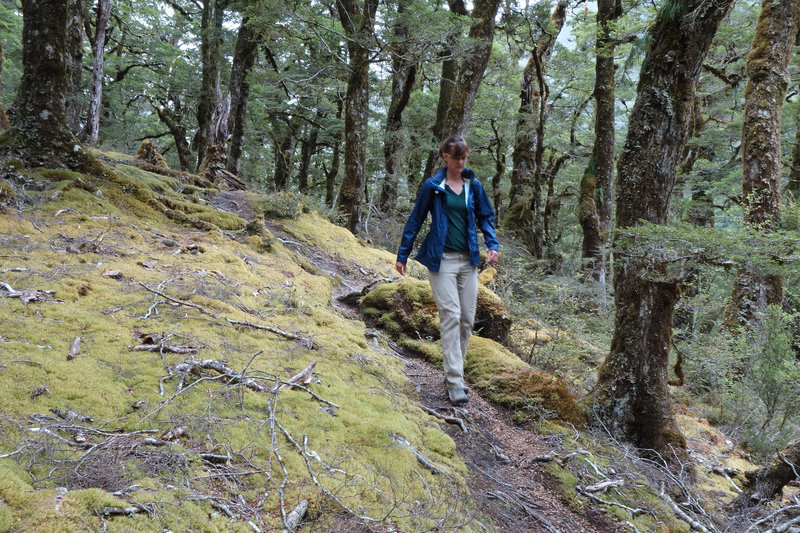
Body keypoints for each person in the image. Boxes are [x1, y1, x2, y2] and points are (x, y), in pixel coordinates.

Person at [395, 135, 499, 405]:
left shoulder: (473, 185)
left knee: (467, 319)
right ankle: (454, 380)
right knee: (451, 315)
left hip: (469, 262)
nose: (461, 163)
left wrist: (492, 244)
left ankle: (456, 370)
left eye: (464, 158)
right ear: (445, 157)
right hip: (441, 261)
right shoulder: (433, 187)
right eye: (457, 158)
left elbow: (486, 216)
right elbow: (416, 218)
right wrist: (402, 253)